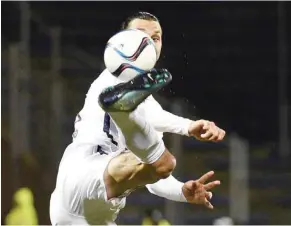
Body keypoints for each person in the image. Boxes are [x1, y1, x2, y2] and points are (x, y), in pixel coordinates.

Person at [50, 12, 226, 225]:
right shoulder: (112, 78)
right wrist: (188, 126)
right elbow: (151, 119)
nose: (148, 44)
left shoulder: (142, 99)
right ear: (122, 40)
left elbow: (150, 177)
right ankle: (122, 112)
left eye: (155, 38)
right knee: (163, 162)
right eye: (140, 36)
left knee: (158, 166)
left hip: (94, 208)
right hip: (86, 169)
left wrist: (181, 191)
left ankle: (123, 111)